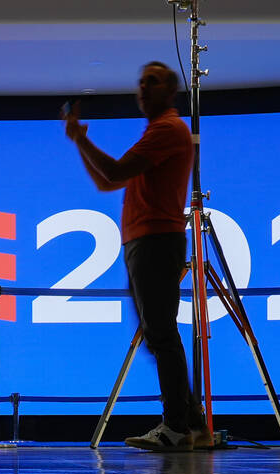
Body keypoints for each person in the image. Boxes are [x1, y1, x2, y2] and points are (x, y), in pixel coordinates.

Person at [63, 61, 207, 451]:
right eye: (141, 81)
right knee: (158, 334)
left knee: (161, 334)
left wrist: (80, 139)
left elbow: (112, 172)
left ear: (170, 90)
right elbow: (106, 181)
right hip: (147, 240)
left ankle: (177, 426)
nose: (142, 88)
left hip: (155, 240)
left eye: (152, 81)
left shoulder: (166, 130)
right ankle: (191, 422)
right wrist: (80, 143)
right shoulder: (157, 133)